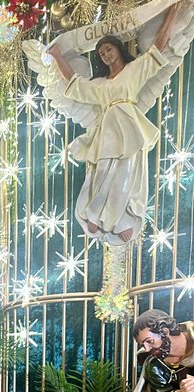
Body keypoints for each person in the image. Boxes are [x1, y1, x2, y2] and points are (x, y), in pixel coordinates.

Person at [41, 2, 187, 244]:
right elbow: (75, 84)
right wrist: (57, 55)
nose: (106, 55)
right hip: (107, 132)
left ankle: (120, 221)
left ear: (118, 49)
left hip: (129, 128)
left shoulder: (134, 70)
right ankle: (94, 215)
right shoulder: (101, 85)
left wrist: (171, 14)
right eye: (101, 53)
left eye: (108, 49)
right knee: (100, 174)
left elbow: (158, 48)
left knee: (124, 176)